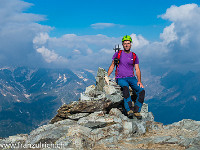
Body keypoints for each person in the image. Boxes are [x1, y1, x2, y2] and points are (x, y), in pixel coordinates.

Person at [107, 35, 145, 119]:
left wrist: (139, 81)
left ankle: (137, 111)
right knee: (125, 87)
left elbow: (137, 69)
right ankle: (129, 110)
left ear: (131, 44)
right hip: (120, 78)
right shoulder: (118, 54)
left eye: (128, 43)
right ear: (122, 45)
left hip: (132, 78)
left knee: (141, 90)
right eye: (125, 43)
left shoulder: (134, 55)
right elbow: (112, 65)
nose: (127, 45)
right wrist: (106, 76)